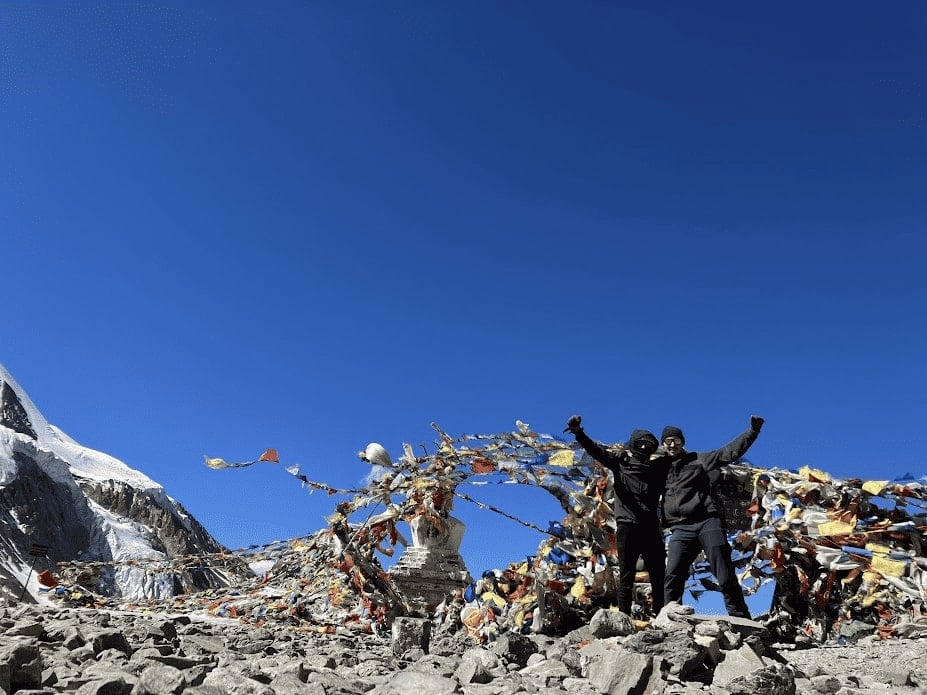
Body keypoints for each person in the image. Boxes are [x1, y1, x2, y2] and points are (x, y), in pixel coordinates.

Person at [660, 416, 764, 619]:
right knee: (672, 573)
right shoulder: (659, 468)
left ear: (683, 442)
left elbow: (729, 452)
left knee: (723, 572)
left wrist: (753, 431)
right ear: (663, 444)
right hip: (680, 528)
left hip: (708, 521)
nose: (673, 445)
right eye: (668, 441)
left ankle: (741, 618)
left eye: (677, 440)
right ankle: (670, 618)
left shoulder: (699, 460)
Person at [564, 414, 666, 617]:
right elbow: (596, 451)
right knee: (627, 574)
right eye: (641, 443)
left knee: (658, 575)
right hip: (628, 526)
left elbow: (680, 461)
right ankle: (623, 618)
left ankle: (662, 615)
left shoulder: (658, 468)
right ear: (633, 445)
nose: (644, 448)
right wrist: (579, 433)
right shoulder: (620, 463)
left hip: (651, 527)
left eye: (649, 444)